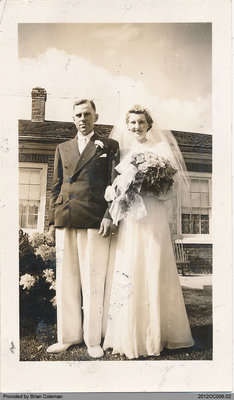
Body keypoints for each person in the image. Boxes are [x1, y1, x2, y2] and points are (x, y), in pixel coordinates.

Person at [103, 105, 194, 359]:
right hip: (132, 215)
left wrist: (151, 182)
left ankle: (158, 335)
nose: (136, 127)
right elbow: (117, 186)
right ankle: (126, 335)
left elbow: (168, 190)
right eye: (132, 123)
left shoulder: (160, 151)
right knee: (131, 264)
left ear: (148, 125)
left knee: (154, 263)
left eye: (140, 123)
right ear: (127, 125)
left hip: (153, 213)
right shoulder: (122, 151)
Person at [46, 99, 120, 358]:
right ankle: (67, 336)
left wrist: (109, 216)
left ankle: (92, 340)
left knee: (93, 280)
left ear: (96, 116)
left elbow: (116, 186)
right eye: (78, 114)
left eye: (87, 114)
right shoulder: (62, 147)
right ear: (73, 118)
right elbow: (55, 186)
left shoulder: (109, 146)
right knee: (66, 280)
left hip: (94, 219)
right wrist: (51, 220)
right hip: (65, 217)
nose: (83, 118)